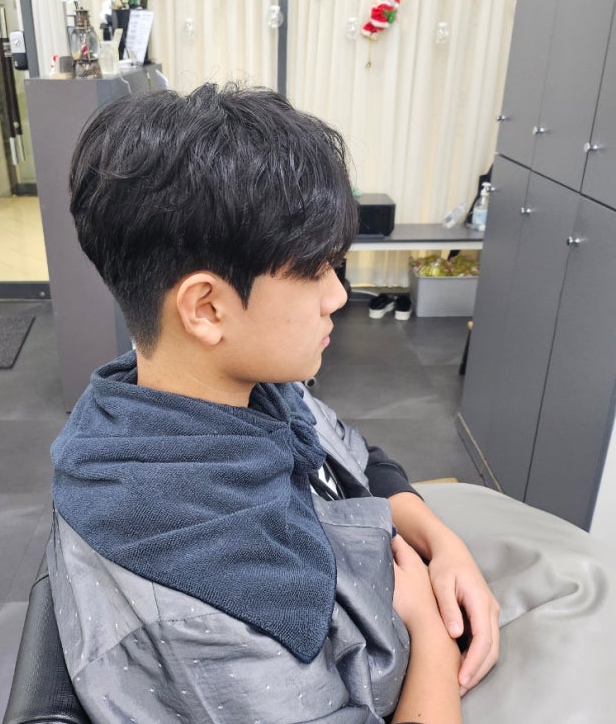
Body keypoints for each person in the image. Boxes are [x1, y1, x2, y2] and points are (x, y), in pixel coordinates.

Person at [47, 82, 499, 723]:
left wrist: (442, 543)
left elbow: (357, 460)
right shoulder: (206, 613)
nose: (338, 296)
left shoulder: (236, 385)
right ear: (207, 308)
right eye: (315, 271)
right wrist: (426, 624)